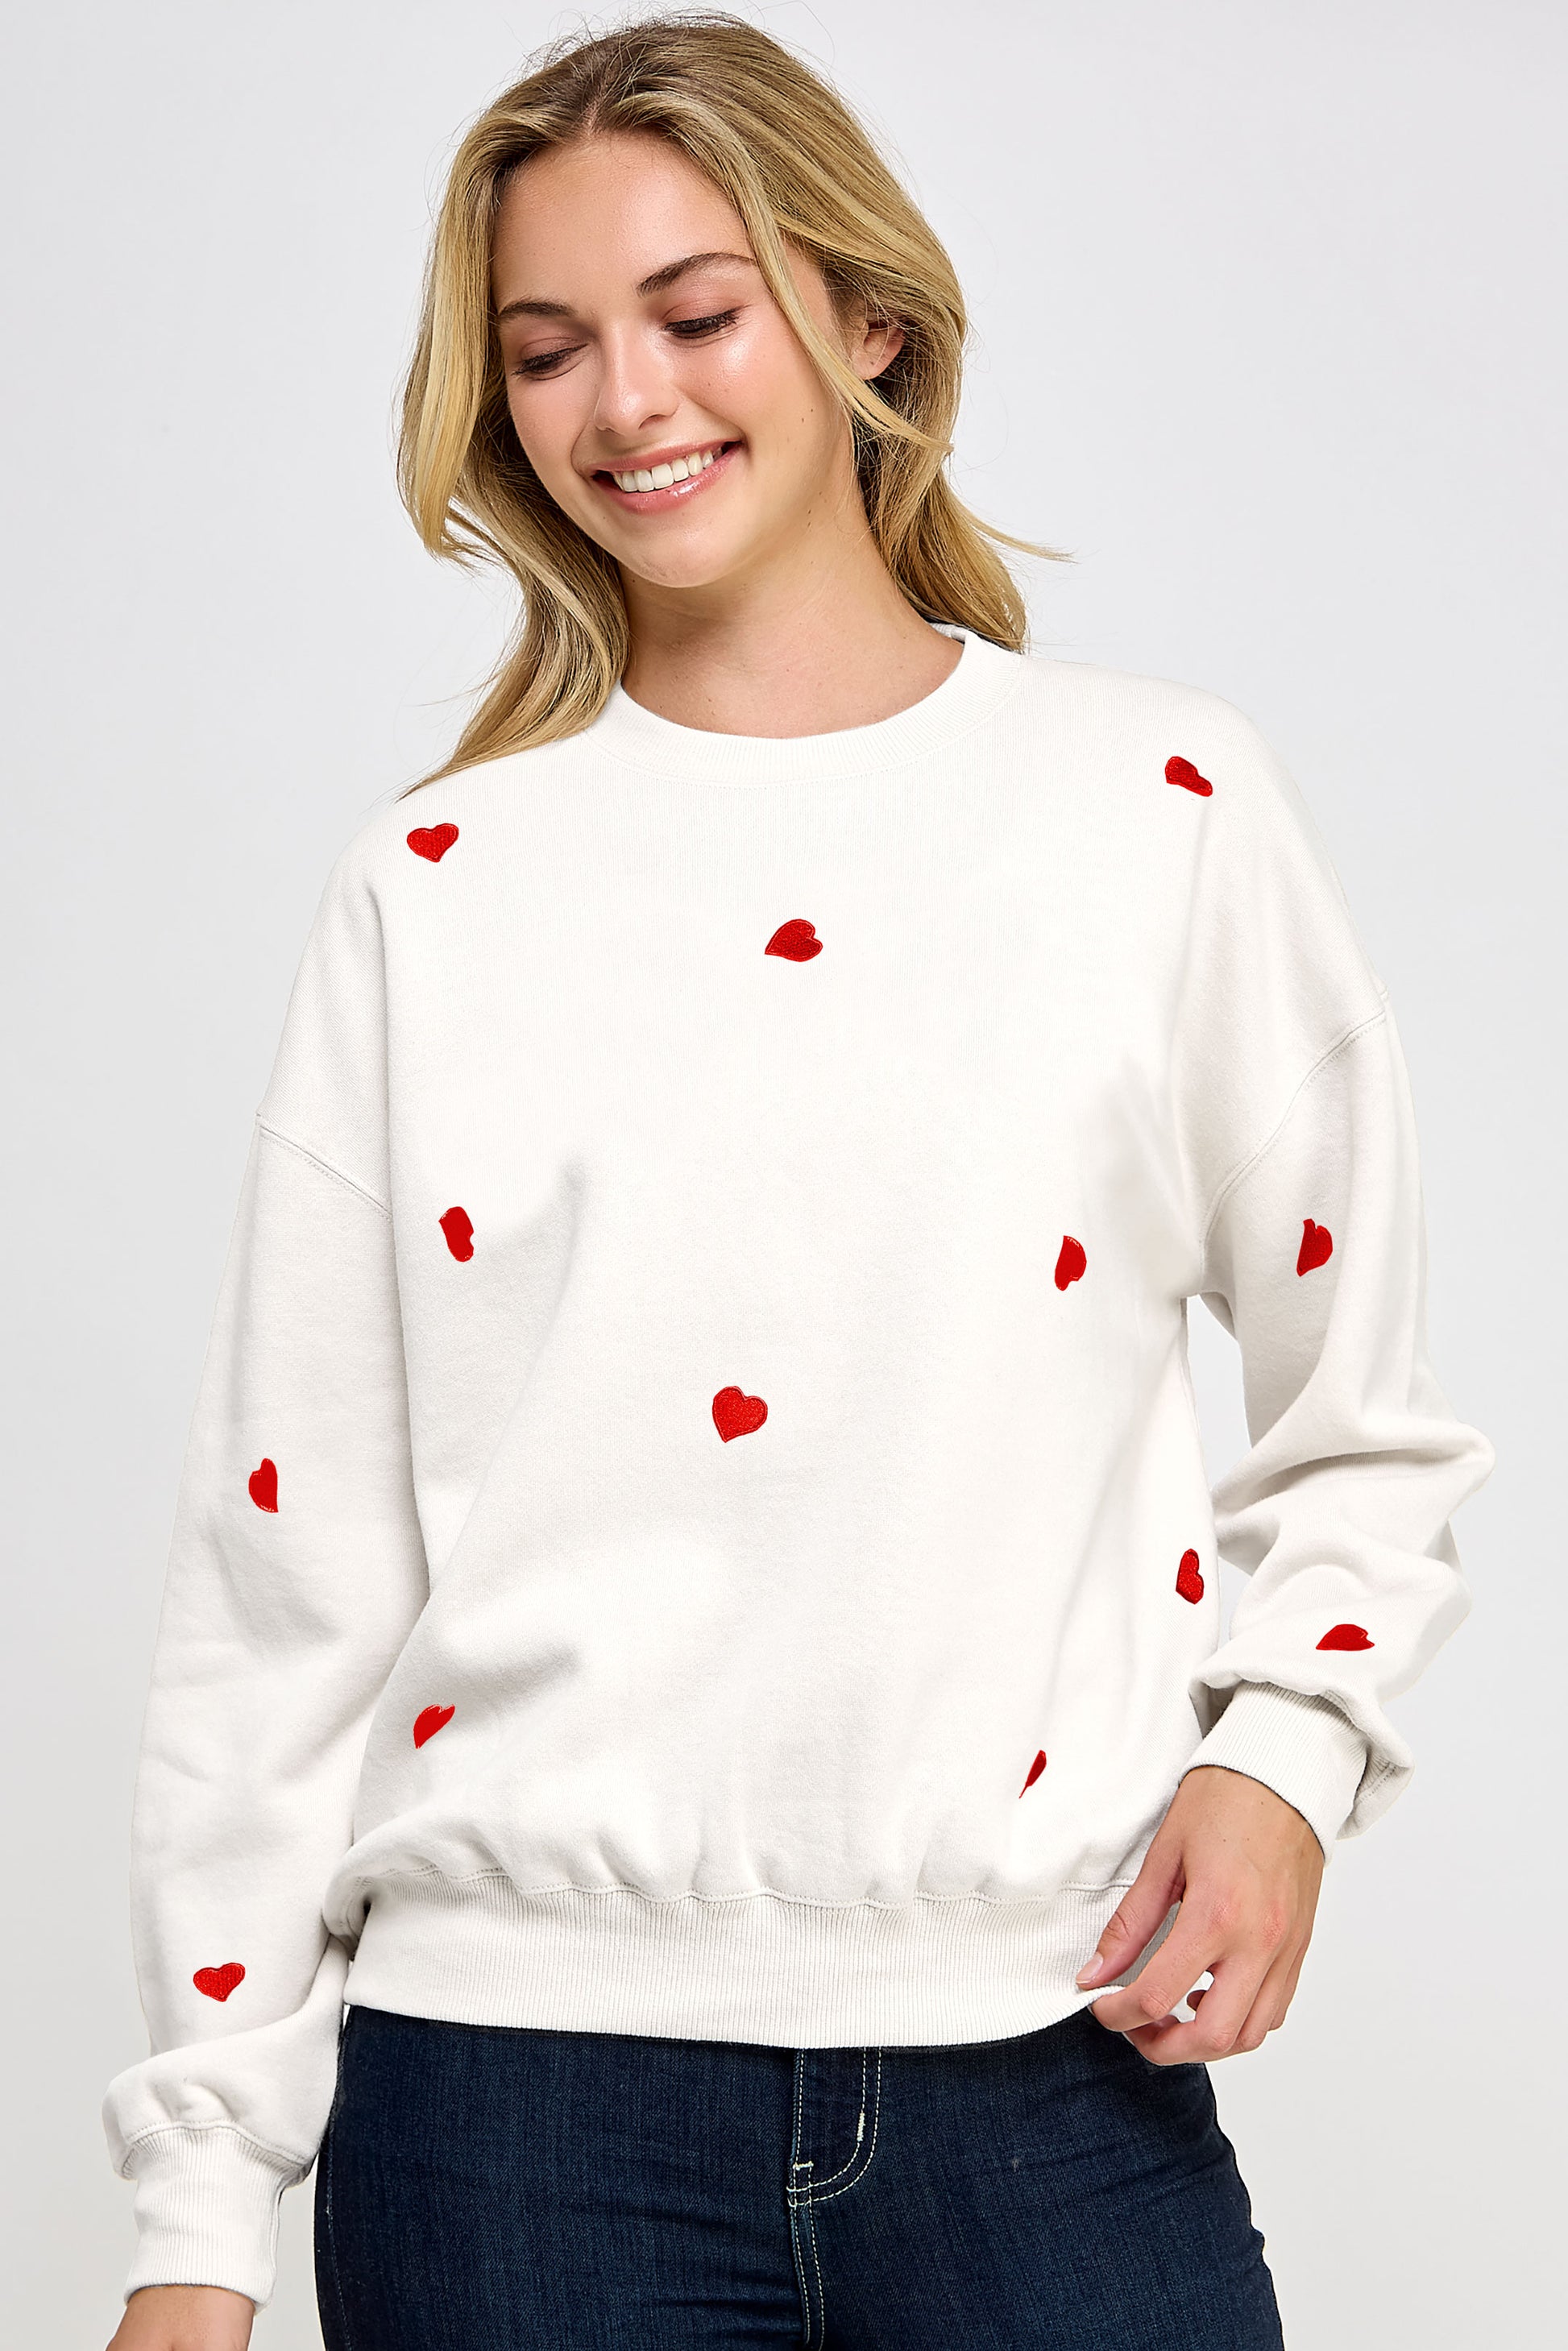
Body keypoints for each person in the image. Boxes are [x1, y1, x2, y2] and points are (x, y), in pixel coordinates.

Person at [101, 17, 1493, 2350]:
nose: (624, 401)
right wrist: (194, 2224)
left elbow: (1360, 1413)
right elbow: (283, 1584)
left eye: (693, 311)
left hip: (1053, 2066)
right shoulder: (438, 892)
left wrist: (1283, 1755)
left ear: (868, 322)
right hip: (512, 2123)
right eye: (546, 348)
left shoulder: (1157, 815)